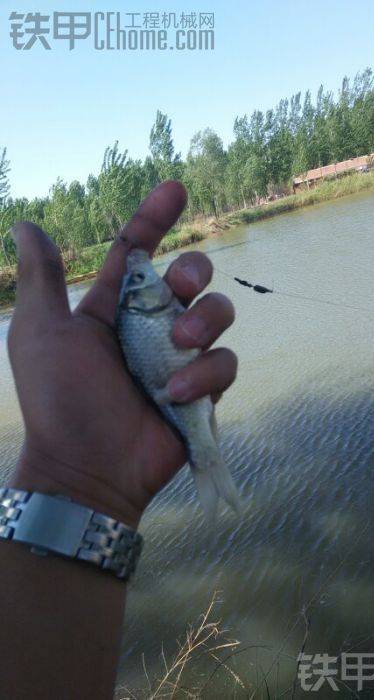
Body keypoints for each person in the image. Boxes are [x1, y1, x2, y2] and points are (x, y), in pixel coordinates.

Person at [0, 181, 238, 699]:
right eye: (137, 280)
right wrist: (76, 479)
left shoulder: (142, 307)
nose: (142, 275)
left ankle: (204, 454)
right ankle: (207, 459)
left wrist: (86, 490)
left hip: (156, 400)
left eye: (140, 276)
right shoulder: (139, 307)